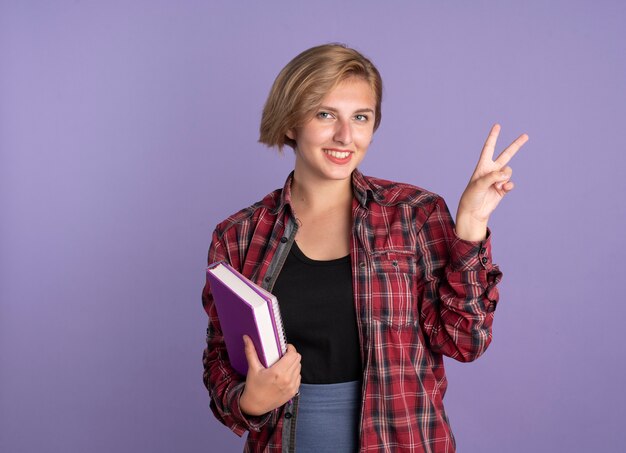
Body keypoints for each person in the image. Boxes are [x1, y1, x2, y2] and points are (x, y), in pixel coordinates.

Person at [202, 43, 528, 453]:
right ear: (290, 122)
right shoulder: (239, 235)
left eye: (360, 117)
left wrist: (471, 228)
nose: (345, 135)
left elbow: (465, 341)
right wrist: (250, 400)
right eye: (325, 114)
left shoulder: (414, 215)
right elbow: (221, 361)